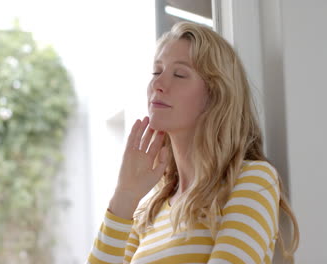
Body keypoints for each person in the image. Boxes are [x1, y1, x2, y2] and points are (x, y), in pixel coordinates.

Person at [85, 21, 299, 264]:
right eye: (156, 72)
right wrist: (124, 195)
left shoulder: (253, 180)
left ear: (216, 95)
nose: (157, 84)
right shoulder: (150, 211)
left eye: (179, 74)